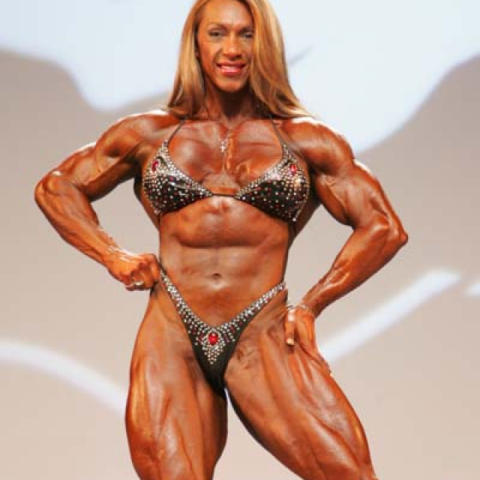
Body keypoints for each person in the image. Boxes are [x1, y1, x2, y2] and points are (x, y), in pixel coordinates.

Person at [34, 0, 408, 478]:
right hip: (172, 332)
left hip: (261, 329)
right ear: (196, 44)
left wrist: (312, 306)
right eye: (217, 34)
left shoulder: (305, 140)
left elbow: (383, 227)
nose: (232, 49)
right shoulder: (150, 134)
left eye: (246, 35)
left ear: (264, 45)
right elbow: (57, 187)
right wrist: (112, 255)